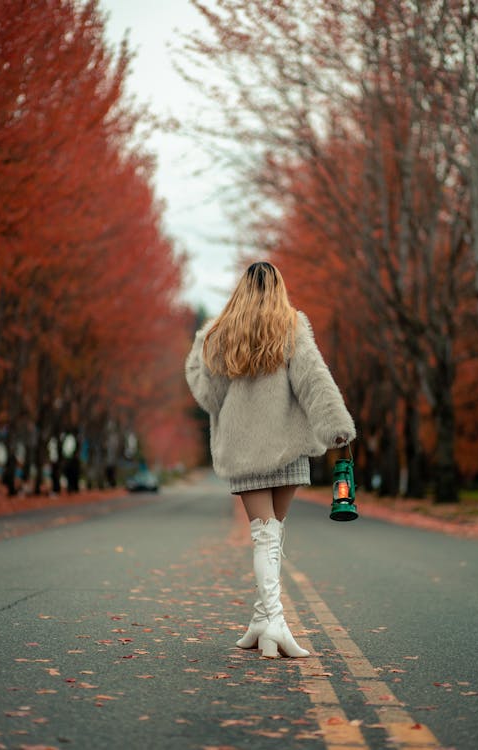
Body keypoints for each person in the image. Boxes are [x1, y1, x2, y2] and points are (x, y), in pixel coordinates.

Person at [185, 261, 356, 658]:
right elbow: (314, 380)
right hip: (289, 448)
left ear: (241, 288)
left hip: (245, 450)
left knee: (266, 536)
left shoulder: (219, 333)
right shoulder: (291, 326)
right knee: (272, 537)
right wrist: (336, 427)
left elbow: (207, 394)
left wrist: (203, 347)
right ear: (279, 286)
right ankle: (273, 623)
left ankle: (264, 623)